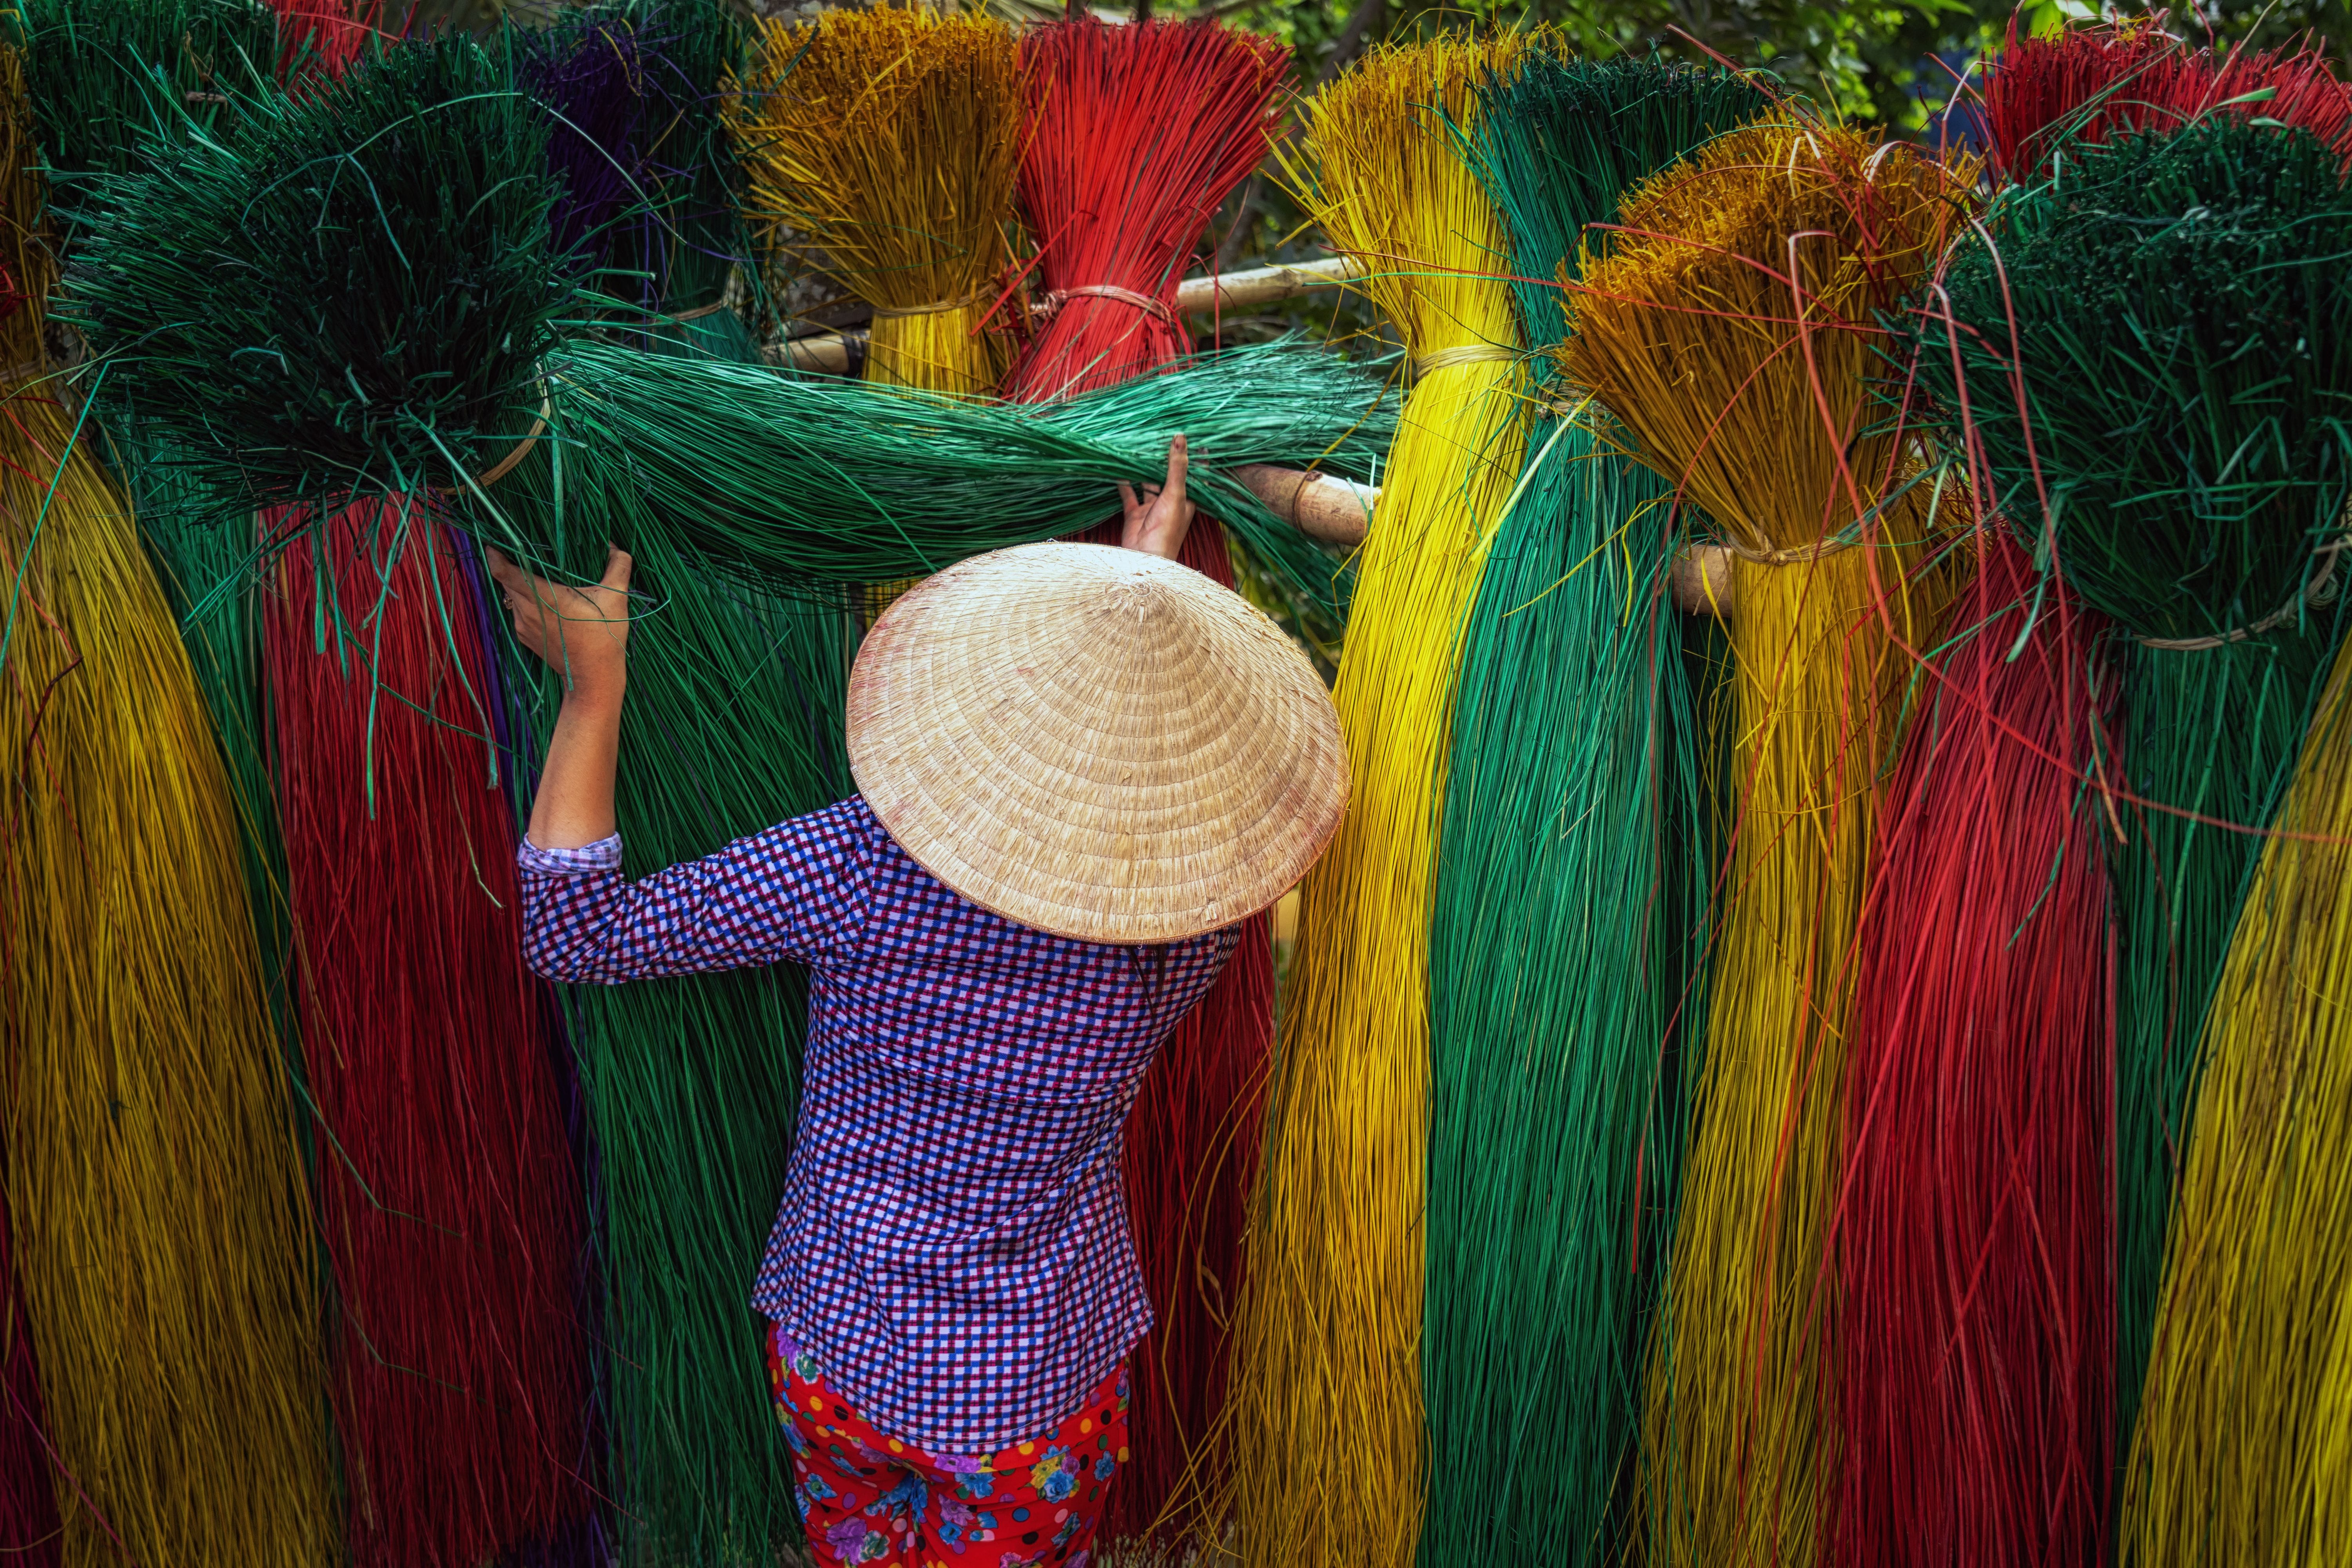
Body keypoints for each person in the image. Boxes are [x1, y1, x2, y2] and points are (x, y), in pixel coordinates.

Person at [488, 436, 1345, 1568]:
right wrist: (1144, 597)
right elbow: (1169, 843)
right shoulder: (1182, 931)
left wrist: (594, 687)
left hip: (838, 1355)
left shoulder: (862, 864)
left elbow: (575, 931)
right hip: (1034, 1403)